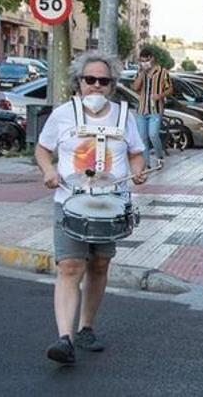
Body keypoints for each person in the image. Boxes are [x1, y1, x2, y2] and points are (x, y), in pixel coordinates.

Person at [36, 51, 148, 365]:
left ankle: (86, 327)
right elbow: (43, 149)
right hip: (69, 202)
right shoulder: (62, 114)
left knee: (99, 265)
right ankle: (64, 338)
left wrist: (138, 170)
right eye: (90, 80)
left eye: (104, 81)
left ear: (112, 84)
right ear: (79, 81)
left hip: (110, 204)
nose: (96, 86)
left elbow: (137, 153)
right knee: (70, 266)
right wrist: (48, 170)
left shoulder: (125, 115)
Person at [131, 47, 173, 167]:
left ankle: (160, 157)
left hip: (156, 110)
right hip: (141, 110)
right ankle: (146, 163)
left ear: (152, 58)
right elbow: (135, 87)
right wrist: (142, 72)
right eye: (142, 60)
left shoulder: (162, 72)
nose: (144, 63)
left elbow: (170, 89)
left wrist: (160, 95)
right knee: (142, 137)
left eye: (146, 60)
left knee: (153, 135)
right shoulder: (140, 72)